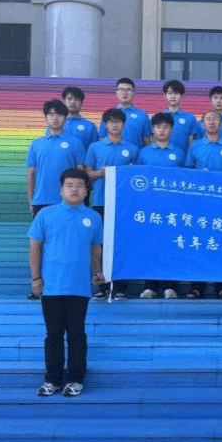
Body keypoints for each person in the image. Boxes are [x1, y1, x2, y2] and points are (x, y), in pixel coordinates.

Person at [29, 168, 104, 397]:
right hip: (51, 286)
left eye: (80, 185)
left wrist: (97, 272)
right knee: (53, 334)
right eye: (69, 185)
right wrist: (36, 278)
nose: (74, 189)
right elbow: (35, 246)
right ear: (61, 190)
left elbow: (95, 249)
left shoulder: (93, 217)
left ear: (86, 191)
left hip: (79, 287)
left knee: (76, 334)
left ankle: (75, 379)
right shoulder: (46, 214)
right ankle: (52, 379)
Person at [26, 99, 86, 299]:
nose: (55, 118)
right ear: (45, 118)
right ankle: (37, 285)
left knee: (67, 244)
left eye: (59, 114)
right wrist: (31, 200)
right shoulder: (37, 144)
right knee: (39, 245)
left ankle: (65, 286)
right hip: (42, 201)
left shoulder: (75, 143)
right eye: (51, 114)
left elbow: (80, 173)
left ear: (65, 118)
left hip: (69, 203)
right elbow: (31, 174)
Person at [85, 108, 138, 300]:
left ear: (124, 125)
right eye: (111, 122)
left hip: (124, 203)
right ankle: (102, 285)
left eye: (118, 122)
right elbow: (87, 172)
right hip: (101, 201)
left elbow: (137, 176)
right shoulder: (95, 147)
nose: (115, 125)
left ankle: (120, 286)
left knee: (121, 243)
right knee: (99, 244)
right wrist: (101, 173)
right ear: (105, 125)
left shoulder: (132, 149)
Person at [185, 110, 222, 299]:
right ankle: (196, 286)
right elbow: (188, 172)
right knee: (198, 243)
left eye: (215, 119)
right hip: (199, 203)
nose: (212, 122)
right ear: (202, 124)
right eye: (208, 119)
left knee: (221, 243)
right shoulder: (195, 146)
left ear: (221, 124)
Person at [137, 112, 185, 299]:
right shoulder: (144, 152)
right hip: (150, 206)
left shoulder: (179, 153)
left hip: (173, 206)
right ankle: (150, 286)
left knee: (171, 244)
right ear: (153, 130)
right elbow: (138, 178)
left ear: (171, 130)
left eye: (165, 127)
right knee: (150, 244)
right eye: (158, 127)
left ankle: (169, 286)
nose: (162, 130)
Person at [98, 78, 151, 150]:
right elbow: (102, 138)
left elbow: (147, 140)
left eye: (128, 90)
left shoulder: (142, 115)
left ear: (133, 93)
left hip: (135, 155)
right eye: (121, 90)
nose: (125, 93)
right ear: (116, 93)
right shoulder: (109, 114)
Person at [162, 79, 199, 153]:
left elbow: (191, 142)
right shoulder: (159, 118)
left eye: (176, 93)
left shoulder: (190, 118)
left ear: (182, 96)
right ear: (165, 95)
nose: (173, 96)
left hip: (182, 157)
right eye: (170, 93)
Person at [62, 86, 98, 153]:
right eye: (69, 99)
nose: (73, 102)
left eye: (76, 100)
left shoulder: (90, 126)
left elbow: (94, 151)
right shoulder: (56, 124)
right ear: (64, 101)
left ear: (82, 103)